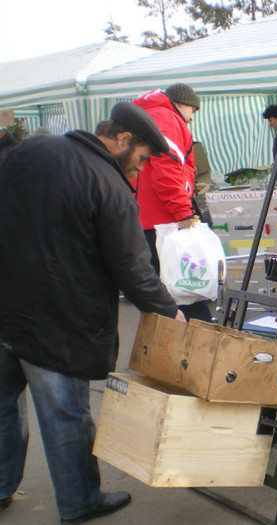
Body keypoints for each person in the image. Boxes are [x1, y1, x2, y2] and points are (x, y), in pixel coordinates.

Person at [0, 102, 187, 522]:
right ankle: (80, 500)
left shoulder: (32, 150)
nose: (139, 171)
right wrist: (167, 312)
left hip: (4, 309)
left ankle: (0, 487)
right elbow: (133, 269)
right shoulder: (107, 182)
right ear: (122, 140)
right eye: (140, 160)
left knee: (1, 406)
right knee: (66, 414)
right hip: (57, 322)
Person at [133, 83, 212, 322]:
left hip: (149, 219)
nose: (191, 118)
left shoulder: (149, 116)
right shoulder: (167, 118)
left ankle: (164, 351)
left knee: (162, 293)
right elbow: (167, 170)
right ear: (182, 104)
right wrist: (183, 212)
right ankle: (199, 351)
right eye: (192, 111)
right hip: (164, 221)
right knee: (186, 290)